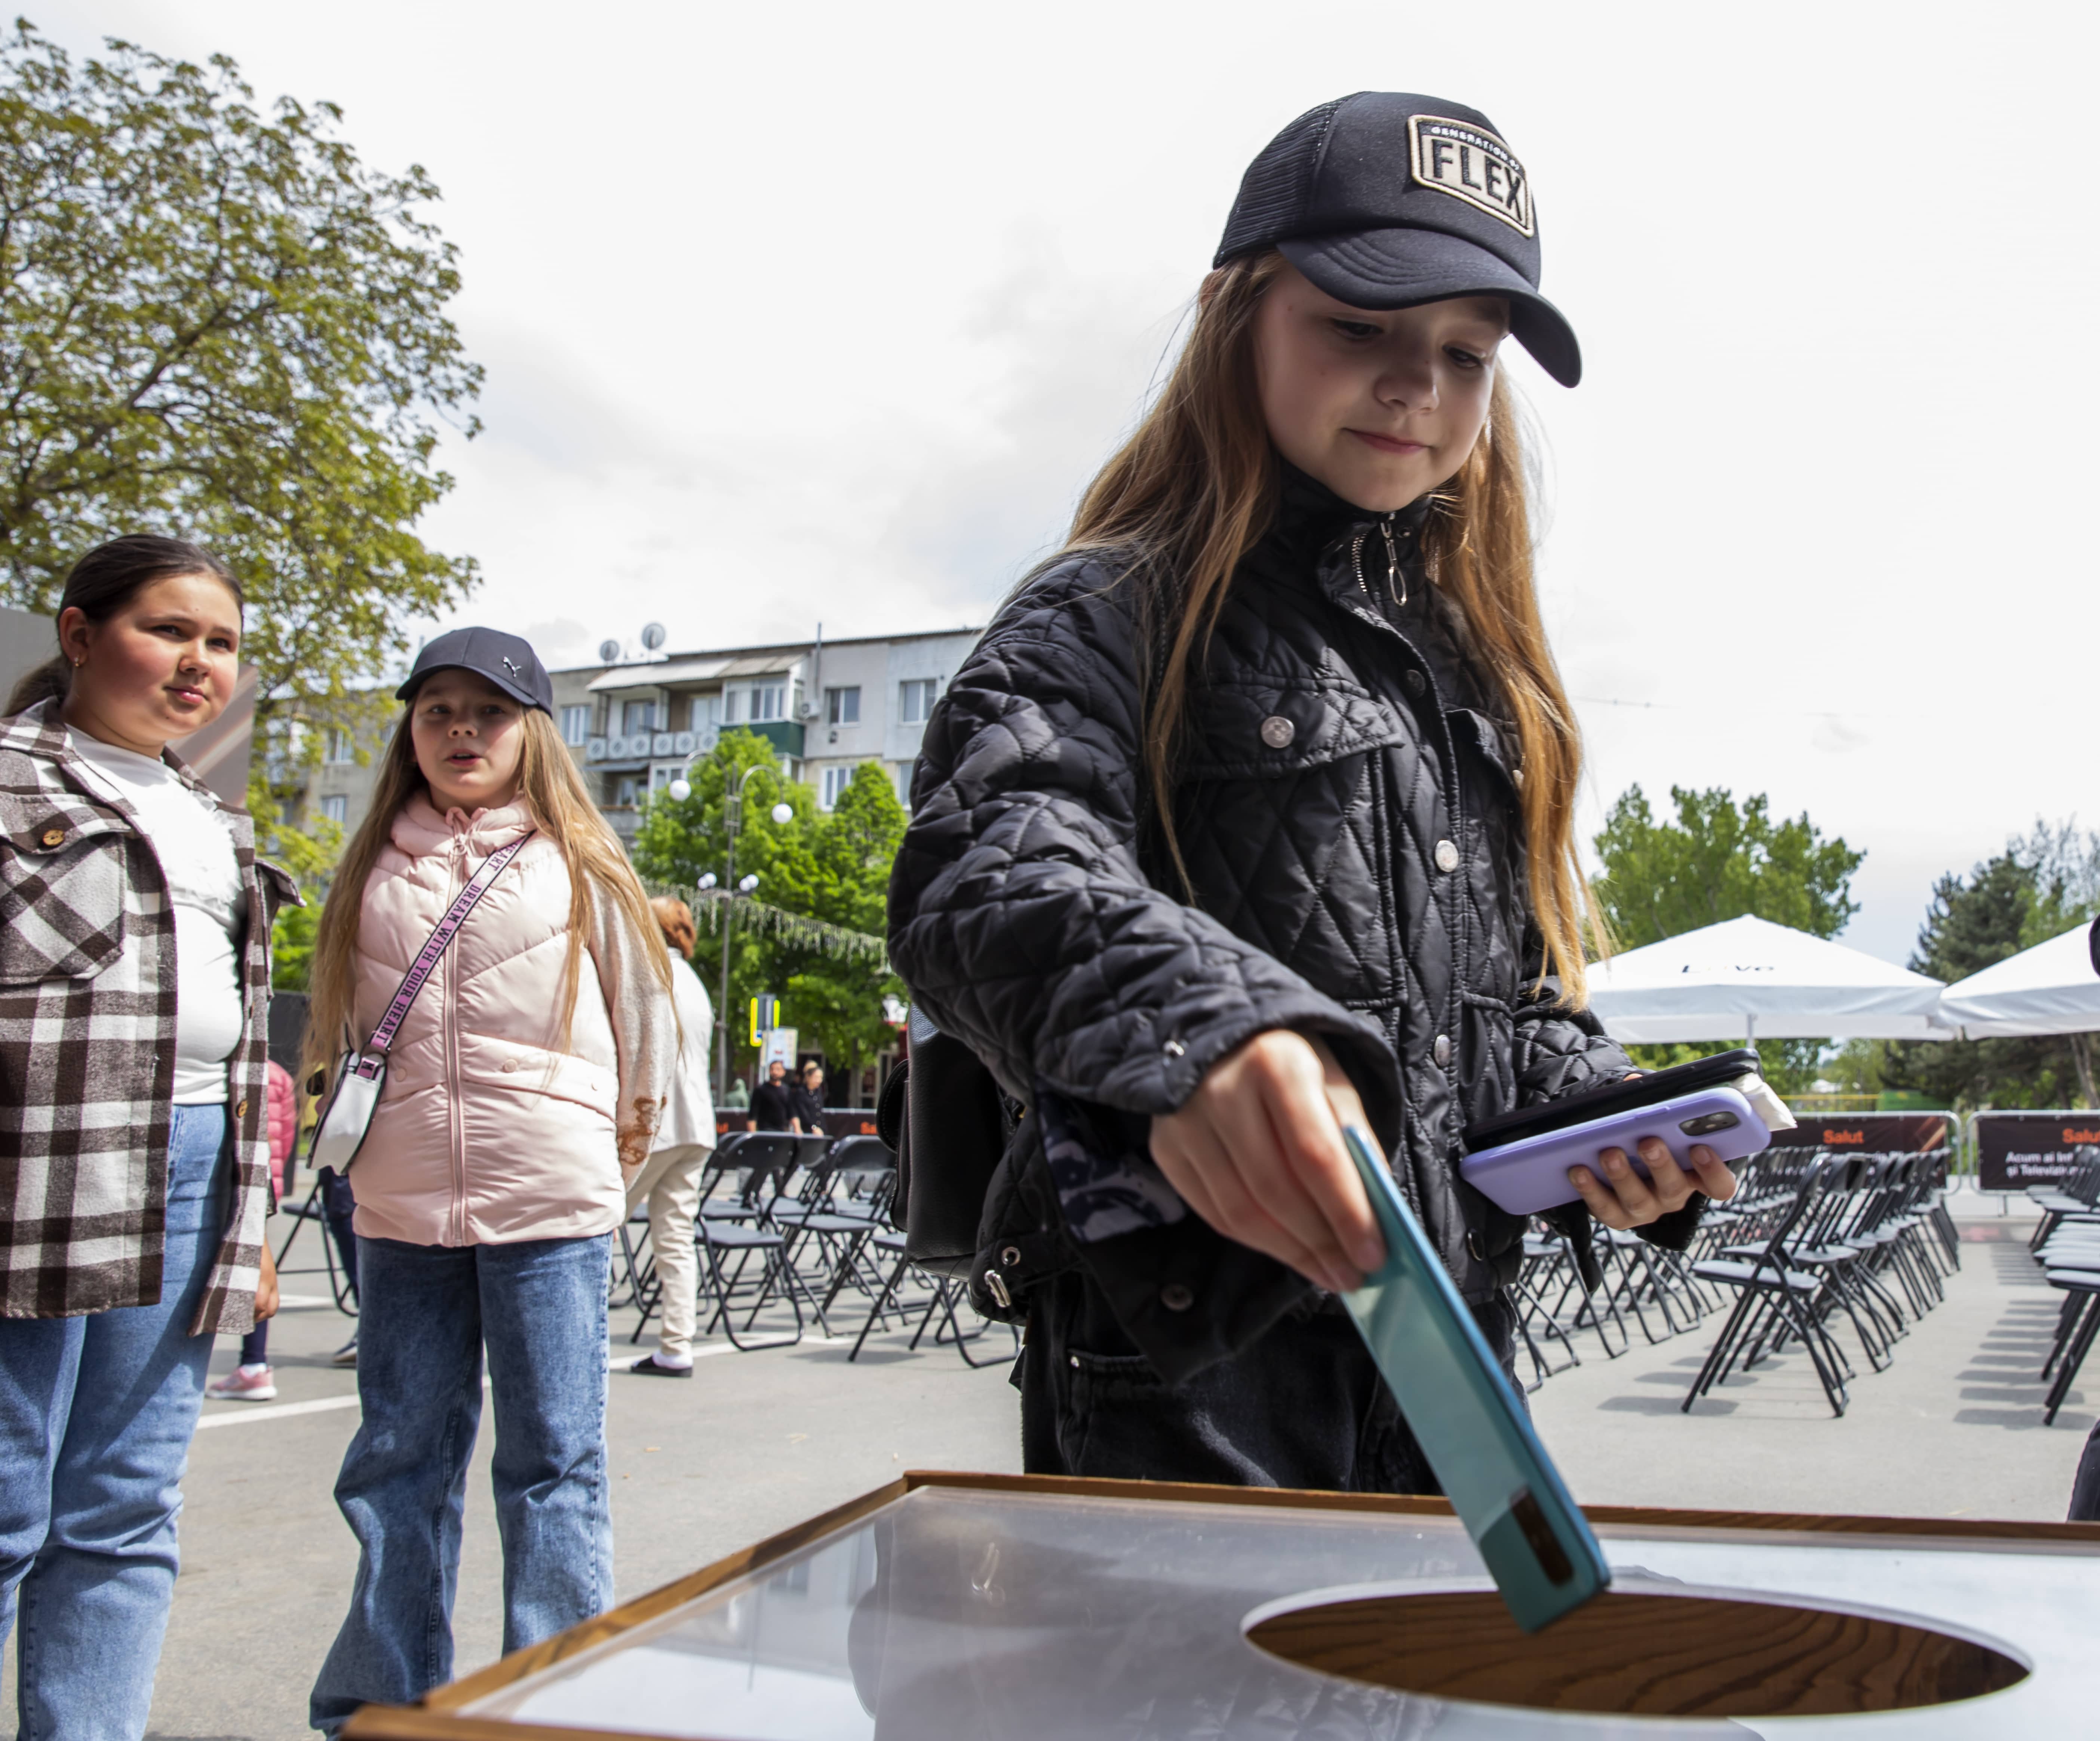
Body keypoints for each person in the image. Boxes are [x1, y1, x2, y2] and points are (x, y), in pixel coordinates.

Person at [888, 92, 1738, 1491]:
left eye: (1465, 353)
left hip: (1447, 1357)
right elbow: (985, 864)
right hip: (1190, 1377)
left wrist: (1608, 1117)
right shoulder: (1108, 602)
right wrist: (1205, 1035)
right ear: (1238, 318)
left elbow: (1505, 1011)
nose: (1417, 384)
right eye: (1358, 326)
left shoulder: (1473, 671)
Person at [302, 627, 674, 1732]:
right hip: (402, 1205)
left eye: (491, 712)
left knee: (554, 1461)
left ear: (533, 733)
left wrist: (604, 1167)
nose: (463, 731)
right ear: (409, 730)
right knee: (396, 1461)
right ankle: (381, 1699)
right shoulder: (368, 866)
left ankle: (554, 1704)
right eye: (439, 711)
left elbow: (646, 1036)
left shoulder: (584, 863)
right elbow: (336, 1035)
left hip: (551, 1205)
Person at [0, 535, 293, 1738]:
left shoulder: (217, 818)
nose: (198, 663)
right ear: (77, 636)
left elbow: (244, 1047)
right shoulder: (15, 779)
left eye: (219, 643)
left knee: (124, 1508)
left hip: (191, 1169)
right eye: (169, 630)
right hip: (40, 1171)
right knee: (8, 1503)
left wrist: (253, 1216)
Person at [625, 898, 719, 1378]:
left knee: (593, 1223)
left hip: (655, 1122)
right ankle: (677, 1343)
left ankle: (576, 1339)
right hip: (697, 1123)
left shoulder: (648, 974)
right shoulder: (695, 983)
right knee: (676, 1238)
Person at [208, 1059, 300, 1400]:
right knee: (254, 1273)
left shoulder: (229, 1068)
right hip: (262, 1188)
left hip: (224, 1183)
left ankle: (251, 1368)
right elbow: (287, 1136)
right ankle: (254, 1364)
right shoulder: (278, 1073)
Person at [750, 1058, 796, 1133]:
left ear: (784, 1072)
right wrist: (752, 1135)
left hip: (782, 1131)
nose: (775, 1072)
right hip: (765, 1131)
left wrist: (798, 1129)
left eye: (778, 1069)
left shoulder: (787, 1090)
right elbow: (753, 1115)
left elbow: (792, 1113)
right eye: (772, 1069)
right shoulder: (761, 1090)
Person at [792, 1061, 829, 1138]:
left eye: (821, 1078)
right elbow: (803, 1114)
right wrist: (814, 1128)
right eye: (816, 1077)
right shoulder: (801, 1092)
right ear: (808, 1077)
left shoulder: (818, 1092)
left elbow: (819, 1113)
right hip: (807, 1131)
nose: (819, 1080)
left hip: (820, 1131)